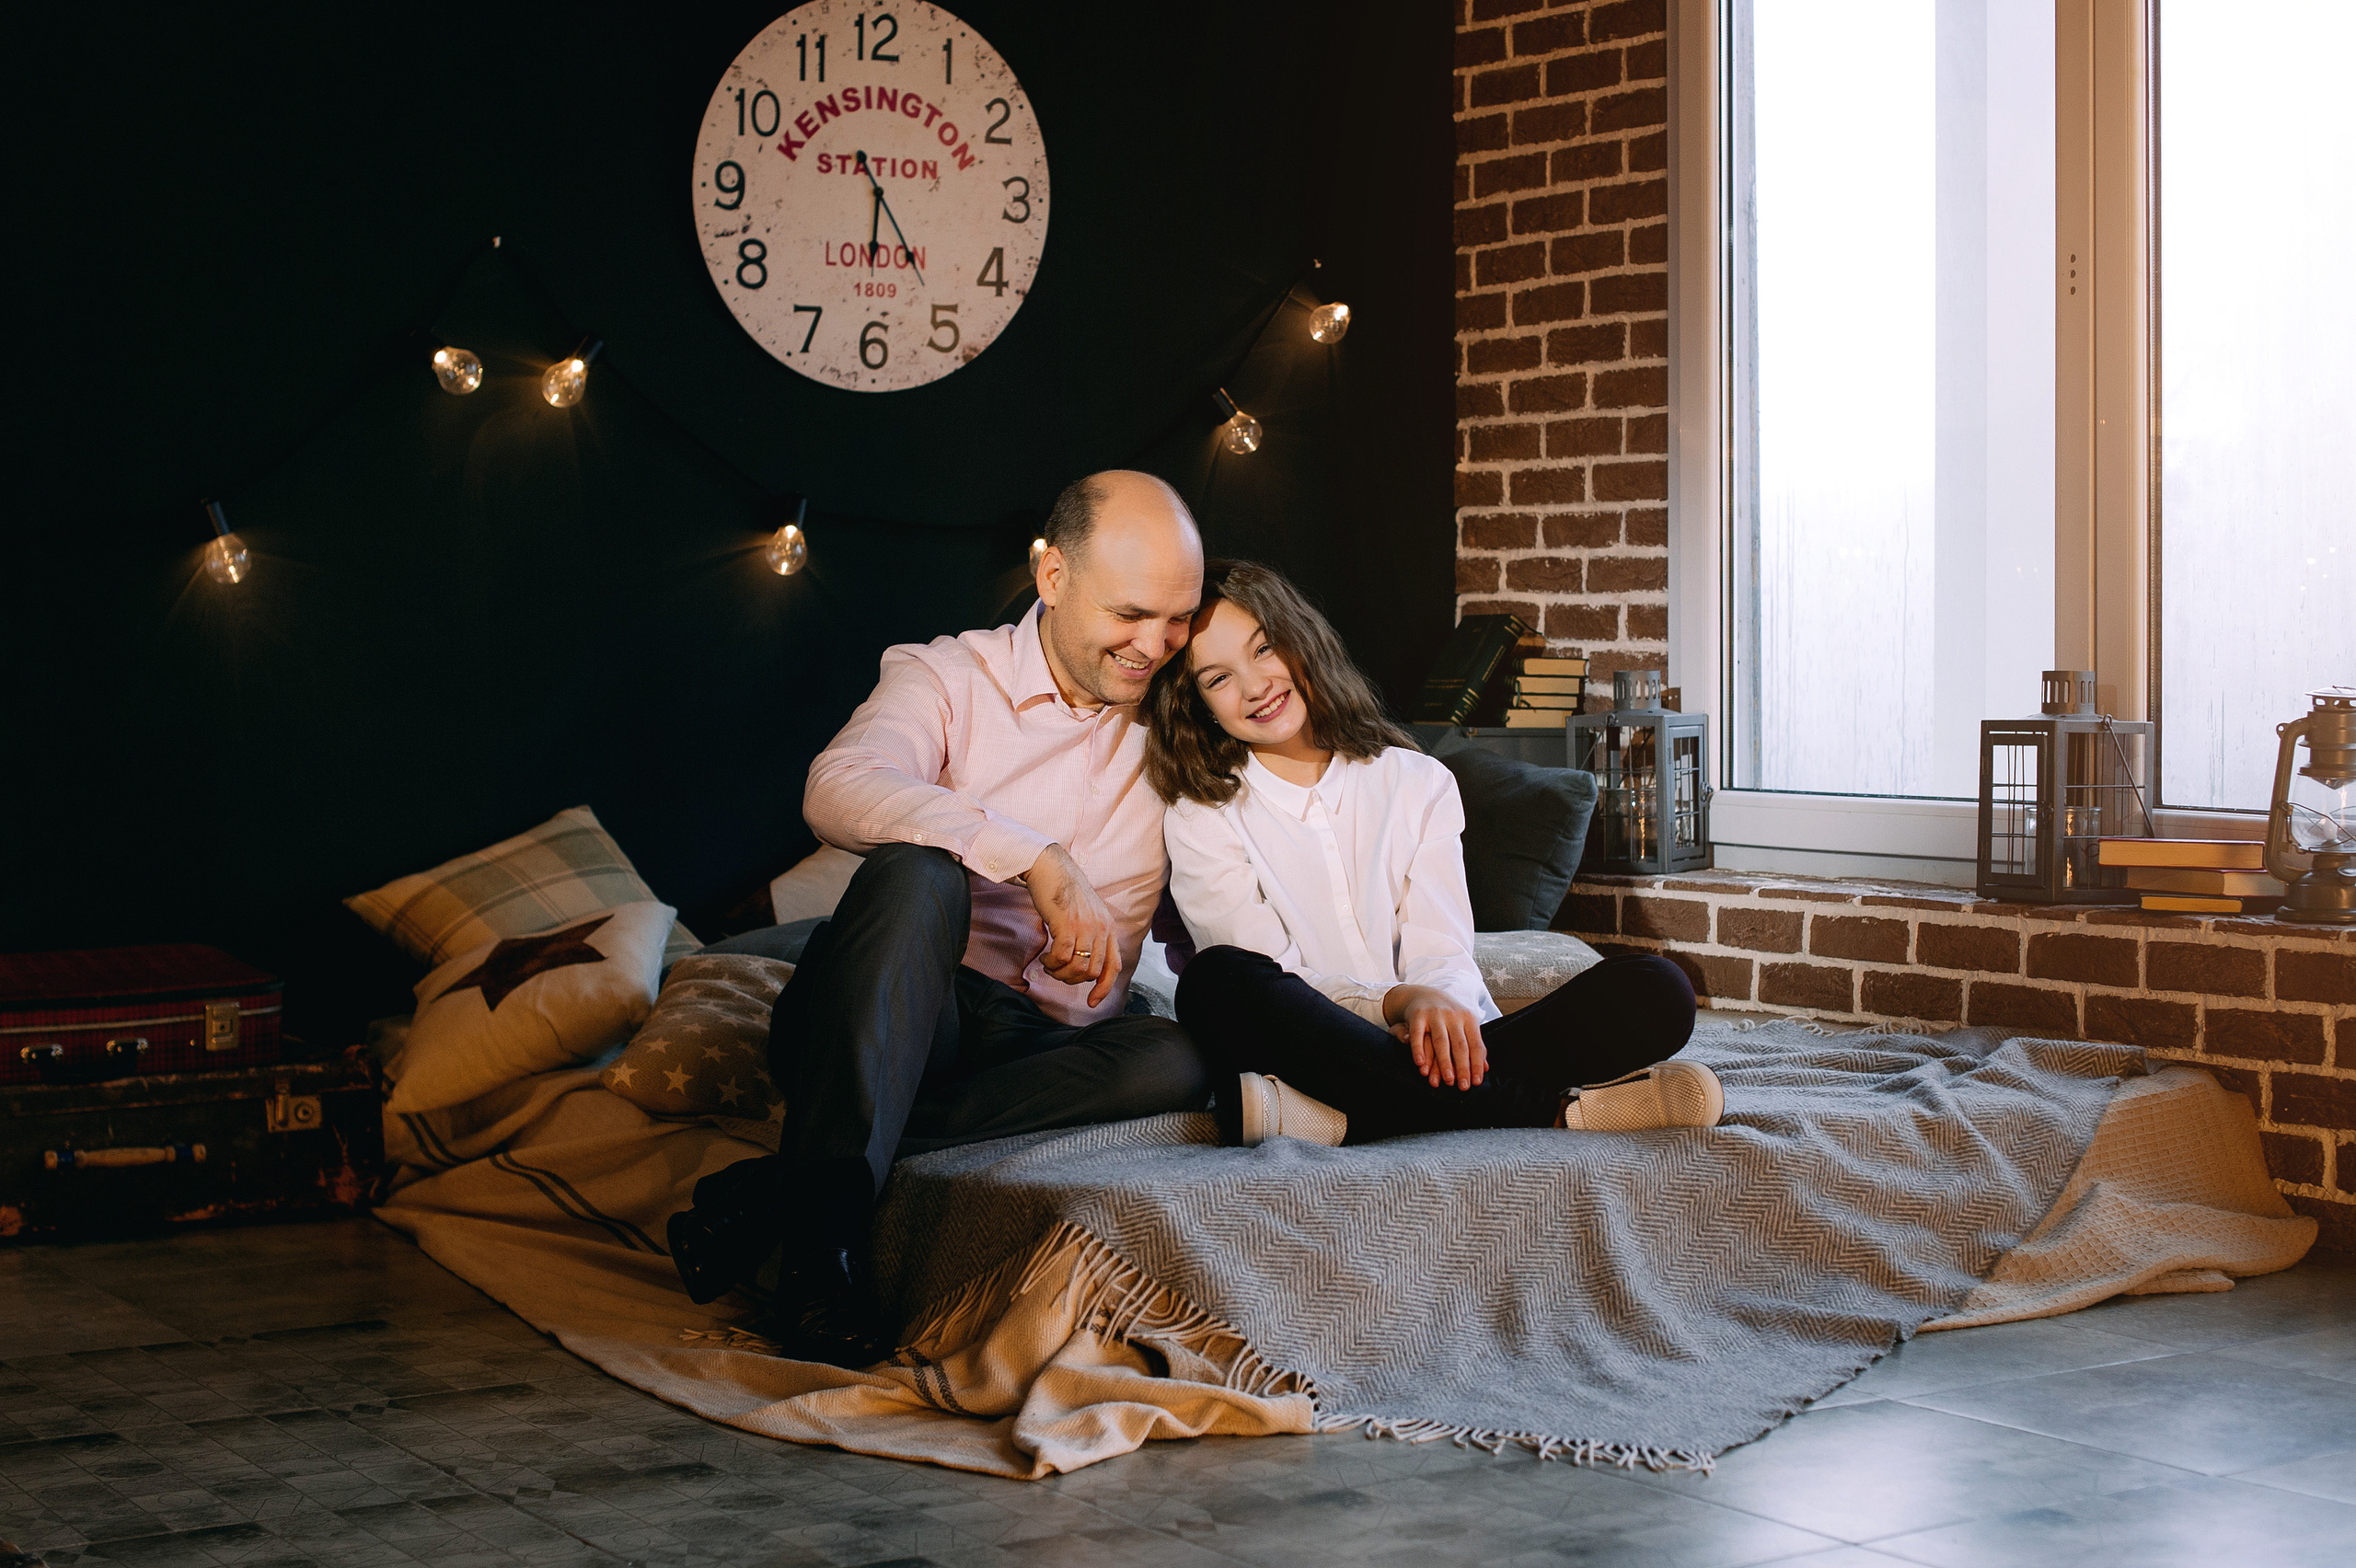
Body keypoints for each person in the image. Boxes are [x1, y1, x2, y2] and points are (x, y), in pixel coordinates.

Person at [668, 471, 1212, 1366]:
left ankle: (776, 1193)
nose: (1155, 644)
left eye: (1178, 617)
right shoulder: (945, 677)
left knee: (1177, 1054)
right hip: (889, 1011)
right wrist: (1032, 858)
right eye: (1130, 614)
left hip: (1036, 1044)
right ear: (1051, 577)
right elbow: (837, 788)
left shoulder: (1182, 715)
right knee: (918, 874)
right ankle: (821, 1265)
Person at [1147, 560, 1712, 1147]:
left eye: (1263, 649)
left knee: (1658, 990)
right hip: (1303, 1049)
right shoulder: (1199, 815)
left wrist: (1433, 1009)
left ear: (1300, 640)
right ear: (1201, 707)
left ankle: (1338, 1119)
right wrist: (1395, 1003)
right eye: (1218, 679)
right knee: (1216, 983)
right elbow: (1272, 976)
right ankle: (1548, 1111)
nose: (1255, 685)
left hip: (1400, 1055)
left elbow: (1441, 949)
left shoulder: (1418, 782)